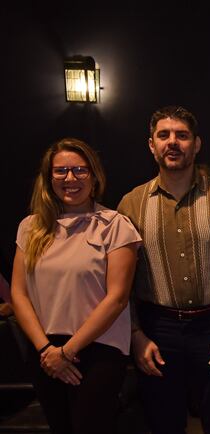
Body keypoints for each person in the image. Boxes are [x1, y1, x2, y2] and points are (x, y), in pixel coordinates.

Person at [118, 106, 210, 434]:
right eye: (164, 135)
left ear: (197, 144)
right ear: (151, 145)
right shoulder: (130, 204)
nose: (172, 142)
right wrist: (135, 336)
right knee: (163, 424)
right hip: (157, 330)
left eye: (182, 135)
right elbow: (121, 285)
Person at [11, 138, 141, 433]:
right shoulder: (30, 227)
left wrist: (67, 352)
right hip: (44, 352)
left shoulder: (115, 225)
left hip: (98, 351)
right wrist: (47, 350)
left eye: (80, 171)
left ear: (94, 177)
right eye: (61, 171)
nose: (70, 178)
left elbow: (117, 298)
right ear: (49, 179)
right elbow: (19, 294)